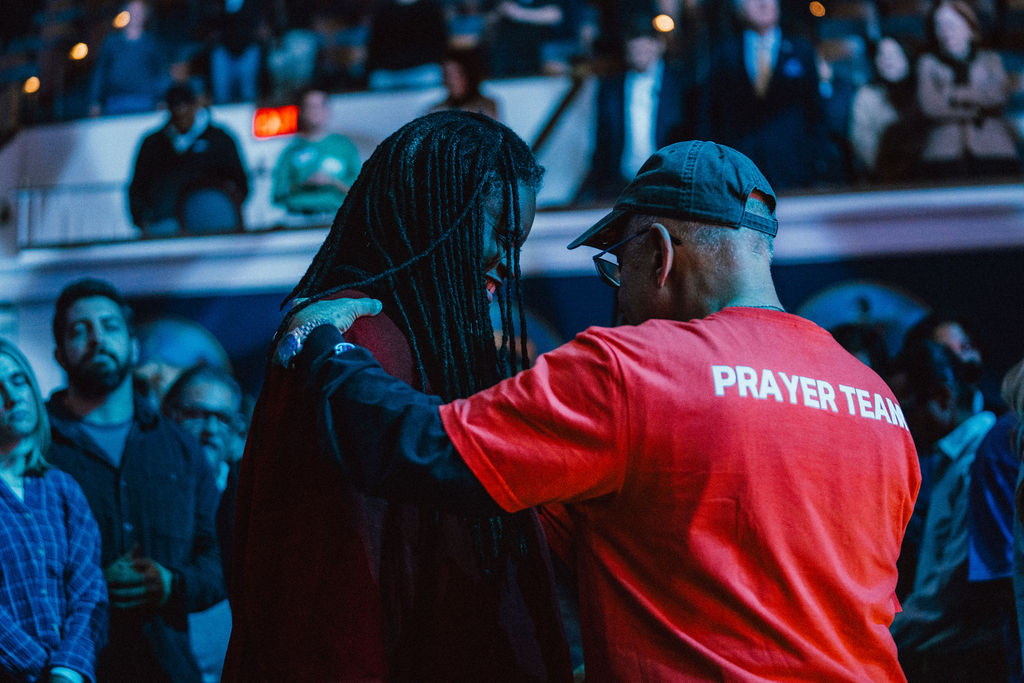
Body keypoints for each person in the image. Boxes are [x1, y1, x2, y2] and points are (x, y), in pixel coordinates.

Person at [277, 139, 921, 680]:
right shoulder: (878, 402)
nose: (619, 291)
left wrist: (323, 345)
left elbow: (421, 450)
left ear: (659, 253)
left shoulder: (635, 370)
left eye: (619, 265)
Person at [225, 111, 573, 682]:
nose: (510, 265)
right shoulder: (356, 333)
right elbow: (328, 591)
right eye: (504, 235)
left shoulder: (423, 338)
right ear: (437, 216)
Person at [45, 278, 225, 683]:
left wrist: (172, 584)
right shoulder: (37, 448)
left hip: (169, 668)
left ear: (133, 344)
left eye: (109, 326)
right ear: (59, 354)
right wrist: (90, 587)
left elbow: (219, 555)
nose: (97, 339)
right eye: (79, 330)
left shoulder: (180, 447)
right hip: (70, 670)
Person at [888, 335, 1005, 681]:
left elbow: (951, 588)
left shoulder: (980, 459)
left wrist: (881, 640)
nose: (899, 425)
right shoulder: (951, 458)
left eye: (904, 410)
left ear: (941, 397)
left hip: (966, 663)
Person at [0, 338, 108, 683]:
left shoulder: (61, 488)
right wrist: (41, 668)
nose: (12, 396)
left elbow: (89, 589)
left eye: (18, 380)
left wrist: (67, 669)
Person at [162, 364, 245, 683]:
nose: (210, 429)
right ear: (169, 415)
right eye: (196, 414)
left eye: (222, 418)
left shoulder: (250, 497)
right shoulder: (151, 491)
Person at [700, 0, 837, 191]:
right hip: (741, 172)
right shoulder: (724, 54)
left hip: (795, 169)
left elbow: (815, 111)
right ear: (739, 10)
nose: (764, 3)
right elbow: (712, 114)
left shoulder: (801, 50)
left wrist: (820, 161)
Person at [584, 19, 696, 201]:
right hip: (621, 186)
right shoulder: (611, 88)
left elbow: (691, 135)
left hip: (671, 186)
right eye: (635, 48)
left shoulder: (682, 84)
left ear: (659, 45)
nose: (640, 52)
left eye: (645, 46)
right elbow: (602, 140)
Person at [916, 0, 1022, 179]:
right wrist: (980, 107)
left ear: (969, 27)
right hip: (943, 154)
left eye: (951, 25)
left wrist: (953, 94)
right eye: (939, 26)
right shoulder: (927, 63)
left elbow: (998, 96)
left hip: (994, 149)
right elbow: (931, 106)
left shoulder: (991, 59)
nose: (945, 32)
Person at [127, 83, 250, 236]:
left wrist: (223, 211)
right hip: (165, 226)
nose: (181, 117)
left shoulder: (219, 140)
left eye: (185, 110)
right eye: (176, 111)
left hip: (213, 225)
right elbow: (137, 189)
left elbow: (240, 184)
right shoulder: (152, 144)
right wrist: (141, 221)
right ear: (169, 111)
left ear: (195, 106)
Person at [270, 86, 361, 218]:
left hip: (337, 216)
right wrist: (305, 184)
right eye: (310, 107)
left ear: (328, 110)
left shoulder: (345, 147)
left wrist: (332, 182)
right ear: (302, 112)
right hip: (298, 217)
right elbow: (277, 194)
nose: (315, 112)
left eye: (319, 106)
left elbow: (361, 190)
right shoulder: (290, 151)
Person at [849, 35, 923, 183]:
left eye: (894, 54)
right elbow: (862, 140)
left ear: (907, 57)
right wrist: (886, 170)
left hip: (926, 175)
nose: (887, 60)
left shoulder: (922, 91)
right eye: (882, 54)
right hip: (883, 177)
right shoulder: (867, 95)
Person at [88, 0, 171, 116]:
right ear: (125, 13)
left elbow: (161, 73)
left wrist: (162, 99)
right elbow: (100, 73)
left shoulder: (152, 44)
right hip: (115, 102)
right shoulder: (111, 43)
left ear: (145, 15)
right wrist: (95, 101)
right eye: (132, 11)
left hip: (145, 101)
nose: (135, 15)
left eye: (139, 12)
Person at [364, 0, 448, 90]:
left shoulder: (429, 7)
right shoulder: (383, 9)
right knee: (377, 79)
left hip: (423, 71)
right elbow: (375, 47)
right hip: (389, 74)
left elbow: (440, 43)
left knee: (433, 74)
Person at [428, 46, 500, 119]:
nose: (451, 82)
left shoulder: (486, 107)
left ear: (469, 76)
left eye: (457, 75)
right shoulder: (437, 111)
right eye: (447, 75)